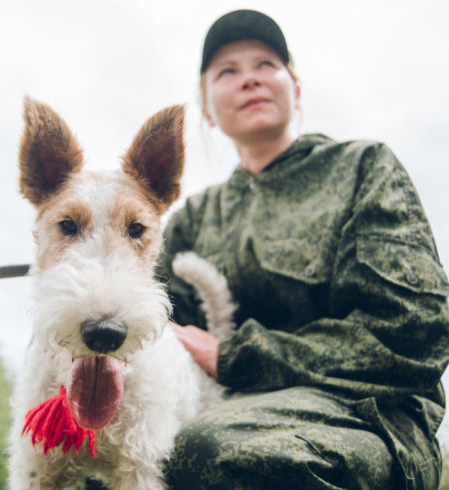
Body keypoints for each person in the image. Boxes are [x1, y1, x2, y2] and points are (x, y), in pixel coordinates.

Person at [158, 9, 449, 490]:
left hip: (372, 419)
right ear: (207, 108)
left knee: (209, 449)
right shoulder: (193, 219)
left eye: (266, 64)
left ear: (295, 85)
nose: (249, 79)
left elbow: (414, 334)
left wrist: (234, 356)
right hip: (217, 406)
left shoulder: (363, 169)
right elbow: (151, 320)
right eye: (228, 71)